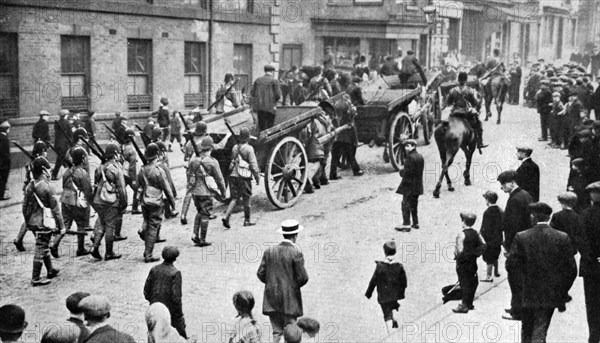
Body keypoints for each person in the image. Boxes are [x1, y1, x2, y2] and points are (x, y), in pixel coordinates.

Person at [507, 202, 577, 343]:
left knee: (526, 329)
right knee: (541, 327)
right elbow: (571, 270)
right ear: (549, 217)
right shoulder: (562, 237)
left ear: (533, 216)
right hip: (550, 292)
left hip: (527, 292)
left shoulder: (521, 237)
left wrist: (518, 290)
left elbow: (511, 266)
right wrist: (562, 290)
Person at [257, 219, 309, 343]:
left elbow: (260, 273)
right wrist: (292, 286)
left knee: (276, 332)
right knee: (291, 334)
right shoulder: (296, 252)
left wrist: (272, 283)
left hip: (271, 298)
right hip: (290, 300)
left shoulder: (269, 250)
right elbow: (303, 277)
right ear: (295, 236)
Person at [497, 170, 533, 321]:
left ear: (512, 183)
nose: (502, 188)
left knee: (515, 278)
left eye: (503, 184)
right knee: (521, 278)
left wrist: (507, 245)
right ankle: (517, 306)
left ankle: (517, 311)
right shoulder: (525, 194)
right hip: (526, 242)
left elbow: (512, 225)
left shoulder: (515, 199)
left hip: (516, 245)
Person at [23, 157, 63, 286]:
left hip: (33, 222)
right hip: (44, 223)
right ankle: (36, 277)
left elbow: (24, 207)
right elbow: (56, 210)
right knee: (41, 247)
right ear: (44, 170)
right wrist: (61, 226)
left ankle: (50, 269)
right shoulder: (48, 188)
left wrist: (28, 221)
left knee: (43, 245)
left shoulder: (30, 186)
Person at [50, 147, 93, 258]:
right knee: (81, 224)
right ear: (83, 159)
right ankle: (80, 248)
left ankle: (54, 243)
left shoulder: (67, 171)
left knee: (65, 224)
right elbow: (87, 190)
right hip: (77, 201)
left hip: (65, 199)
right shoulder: (82, 173)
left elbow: (64, 185)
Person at [137, 143, 176, 262]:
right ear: (157, 154)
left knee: (147, 220)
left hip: (144, 200)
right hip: (156, 201)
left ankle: (143, 230)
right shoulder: (159, 170)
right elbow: (166, 188)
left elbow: (138, 186)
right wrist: (172, 203)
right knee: (154, 226)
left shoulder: (142, 170)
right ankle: (148, 254)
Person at [90, 142, 127, 261]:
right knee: (110, 225)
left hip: (98, 200)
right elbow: (121, 188)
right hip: (110, 201)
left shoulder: (100, 167)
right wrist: (123, 203)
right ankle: (109, 252)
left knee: (101, 223)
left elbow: (95, 183)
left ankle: (94, 247)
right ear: (115, 155)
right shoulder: (116, 169)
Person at [189, 136, 226, 247]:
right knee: (205, 214)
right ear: (211, 148)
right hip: (206, 192)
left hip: (195, 191)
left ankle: (194, 234)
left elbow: (189, 174)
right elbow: (220, 179)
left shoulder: (194, 160)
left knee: (200, 212)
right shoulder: (212, 162)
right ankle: (202, 239)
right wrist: (223, 192)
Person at [144, 246, 187, 339]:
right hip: (169, 310)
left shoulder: (154, 269)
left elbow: (146, 291)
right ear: (175, 258)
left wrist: (153, 300)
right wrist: (180, 316)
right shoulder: (175, 273)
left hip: (155, 308)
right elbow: (176, 298)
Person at [365, 239, 407, 333]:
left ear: (385, 252)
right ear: (395, 252)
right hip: (395, 295)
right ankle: (396, 320)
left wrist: (368, 293)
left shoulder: (380, 266)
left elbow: (373, 281)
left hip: (384, 297)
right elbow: (404, 282)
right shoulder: (399, 266)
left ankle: (391, 335)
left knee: (387, 315)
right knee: (394, 306)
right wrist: (401, 293)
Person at [13, 141, 49, 252]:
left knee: (30, 216)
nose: (46, 153)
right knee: (36, 217)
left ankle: (19, 238)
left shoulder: (31, 164)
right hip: (36, 192)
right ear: (42, 151)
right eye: (45, 151)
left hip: (30, 191)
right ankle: (40, 241)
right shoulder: (39, 164)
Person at [576, 182, 600, 343]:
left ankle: (594, 336)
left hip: (592, 268)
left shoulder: (585, 214)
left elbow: (582, 242)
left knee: (592, 305)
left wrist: (592, 258)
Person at [222, 128, 260, 229]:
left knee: (234, 198)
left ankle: (226, 217)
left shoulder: (235, 147)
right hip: (244, 176)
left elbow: (233, 160)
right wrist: (257, 177)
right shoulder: (249, 149)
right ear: (248, 138)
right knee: (246, 198)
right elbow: (253, 165)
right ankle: (247, 220)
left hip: (233, 175)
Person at [452, 212, 486, 313]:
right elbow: (483, 245)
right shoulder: (476, 233)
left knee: (464, 282)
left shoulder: (461, 234)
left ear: (463, 222)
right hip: (472, 261)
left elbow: (459, 250)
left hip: (463, 262)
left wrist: (458, 258)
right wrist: (476, 253)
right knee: (472, 281)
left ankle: (464, 304)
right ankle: (469, 302)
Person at [446, 72, 487, 151]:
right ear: (466, 80)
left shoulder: (452, 90)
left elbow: (448, 103)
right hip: (466, 113)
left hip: (455, 113)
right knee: (479, 124)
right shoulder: (470, 90)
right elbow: (475, 103)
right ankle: (480, 142)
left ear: (458, 79)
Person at [329, 98, 363, 180]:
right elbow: (353, 130)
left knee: (334, 157)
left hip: (336, 138)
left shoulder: (334, 114)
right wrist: (355, 141)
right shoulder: (349, 117)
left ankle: (332, 175)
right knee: (350, 155)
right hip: (346, 138)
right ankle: (356, 170)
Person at [395, 139, 424, 232]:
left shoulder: (410, 158)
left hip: (409, 185)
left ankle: (406, 225)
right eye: (405, 146)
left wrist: (401, 171)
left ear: (413, 146)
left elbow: (407, 173)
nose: (406, 148)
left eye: (408, 146)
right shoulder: (420, 156)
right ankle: (416, 223)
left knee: (405, 204)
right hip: (418, 185)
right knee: (414, 204)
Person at [480, 191, 504, 282]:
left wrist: (481, 235)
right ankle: (496, 272)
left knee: (489, 257)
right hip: (498, 238)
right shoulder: (500, 210)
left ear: (487, 200)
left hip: (489, 239)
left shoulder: (487, 212)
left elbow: (485, 227)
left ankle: (489, 276)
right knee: (496, 255)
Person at [251, 64, 282, 131]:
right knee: (269, 128)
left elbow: (252, 93)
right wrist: (274, 102)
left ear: (265, 71)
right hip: (270, 108)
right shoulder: (274, 81)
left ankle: (261, 140)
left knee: (261, 127)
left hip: (260, 108)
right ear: (272, 72)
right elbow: (278, 95)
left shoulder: (258, 80)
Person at [122, 128, 141, 215]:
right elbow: (133, 166)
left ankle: (121, 207)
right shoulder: (132, 149)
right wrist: (134, 179)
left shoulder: (122, 146)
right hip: (129, 174)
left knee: (121, 190)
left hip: (122, 172)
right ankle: (135, 207)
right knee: (138, 189)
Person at [51, 109, 72, 180]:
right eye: (67, 115)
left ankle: (58, 174)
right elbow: (70, 134)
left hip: (58, 144)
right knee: (61, 160)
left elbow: (56, 134)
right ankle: (55, 174)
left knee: (62, 159)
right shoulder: (67, 123)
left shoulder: (57, 123)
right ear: (65, 115)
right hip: (64, 144)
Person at [0, 120, 11, 200]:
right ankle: (1, 195)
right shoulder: (4, 139)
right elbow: (5, 153)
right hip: (4, 163)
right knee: (3, 179)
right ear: (6, 129)